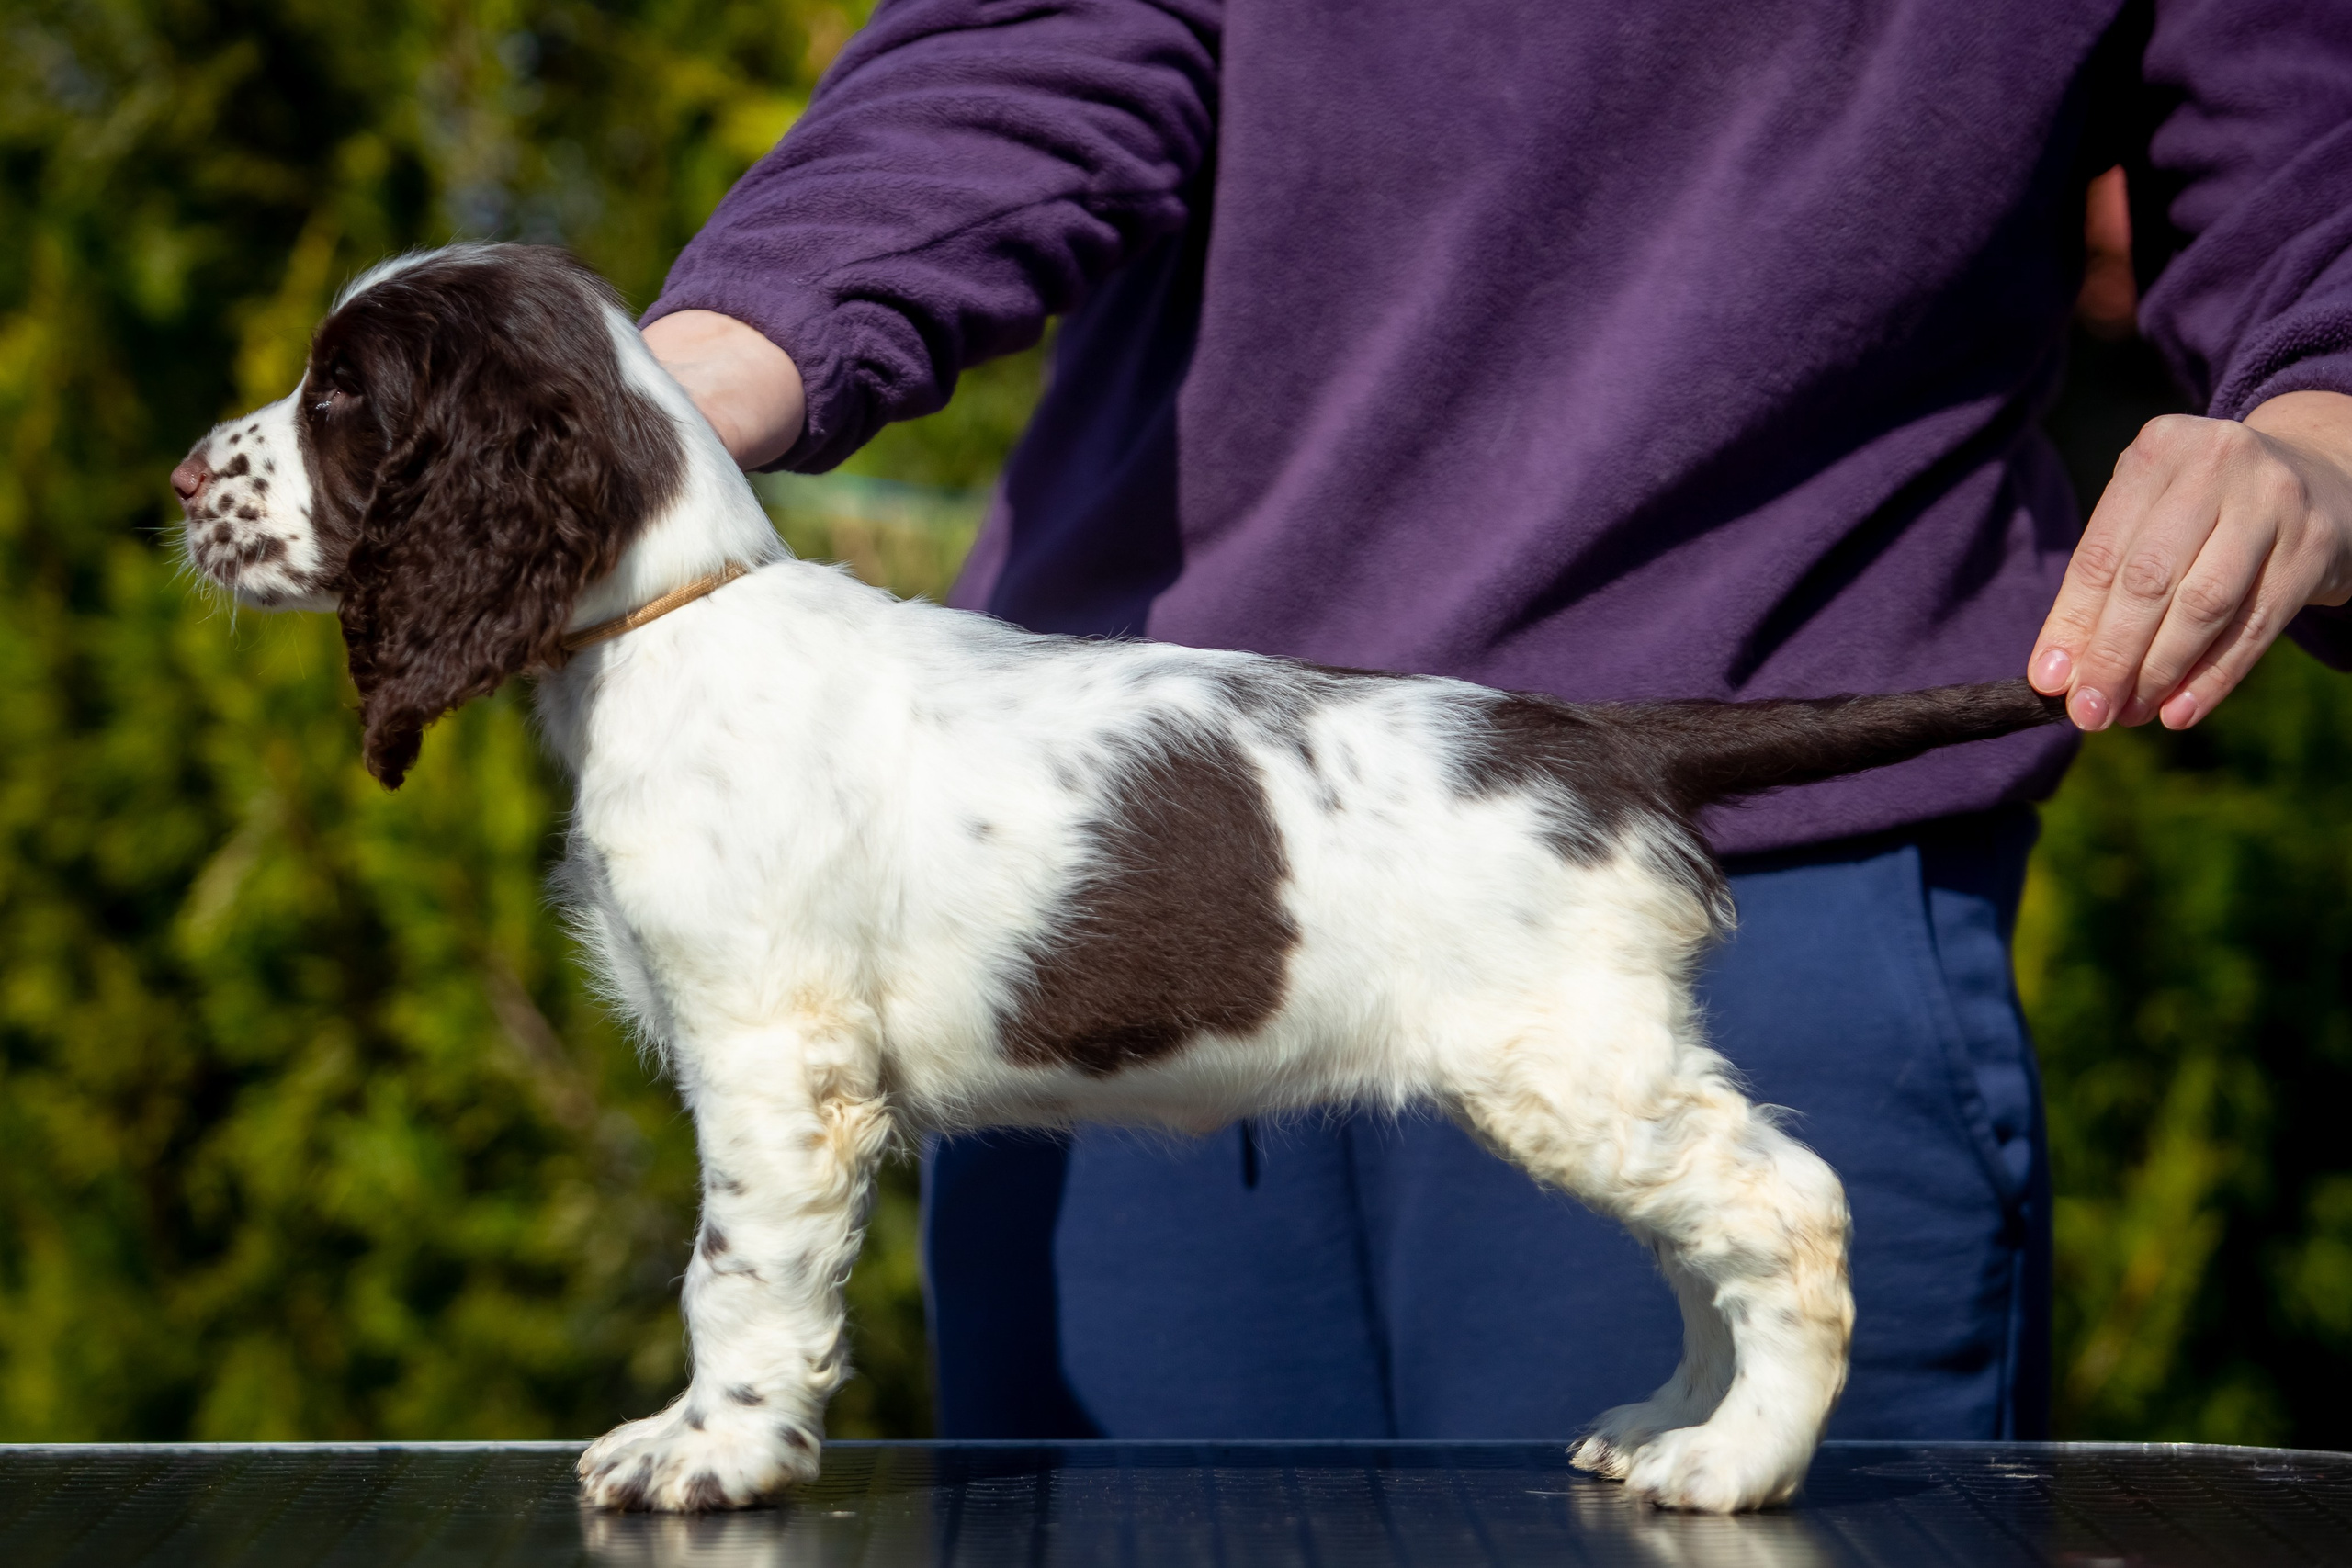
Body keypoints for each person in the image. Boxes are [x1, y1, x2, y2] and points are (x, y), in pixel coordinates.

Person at [637, 0, 2352, 1441]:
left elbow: (2304, 145)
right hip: (1096, 860)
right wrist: (683, 385)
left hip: (1737, 847)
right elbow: (1036, 37)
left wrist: (2322, 432)